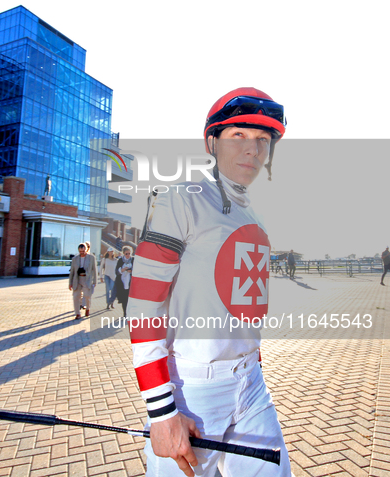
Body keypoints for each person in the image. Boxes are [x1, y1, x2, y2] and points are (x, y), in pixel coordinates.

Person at [128, 87, 292, 476]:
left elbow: (244, 307)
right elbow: (143, 305)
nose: (253, 148)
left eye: (263, 140)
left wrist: (254, 363)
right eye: (239, 135)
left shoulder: (256, 216)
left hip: (251, 384)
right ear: (211, 142)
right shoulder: (178, 198)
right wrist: (162, 412)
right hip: (192, 393)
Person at [69, 243, 96, 319]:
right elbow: (72, 272)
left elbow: (94, 269)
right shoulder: (75, 259)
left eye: (83, 251)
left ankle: (87, 308)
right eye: (80, 251)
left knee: (87, 296)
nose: (82, 253)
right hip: (77, 279)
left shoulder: (91, 257)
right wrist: (70, 283)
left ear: (86, 250)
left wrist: (94, 281)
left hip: (87, 279)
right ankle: (77, 313)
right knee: (76, 297)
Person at [115, 246, 134, 317]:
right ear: (123, 253)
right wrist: (122, 270)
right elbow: (116, 271)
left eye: (129, 253)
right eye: (126, 254)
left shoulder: (133, 260)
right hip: (122, 282)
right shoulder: (120, 261)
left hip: (131, 283)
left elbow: (137, 270)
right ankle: (125, 313)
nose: (128, 255)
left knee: (130, 299)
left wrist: (131, 271)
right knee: (124, 299)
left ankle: (130, 313)